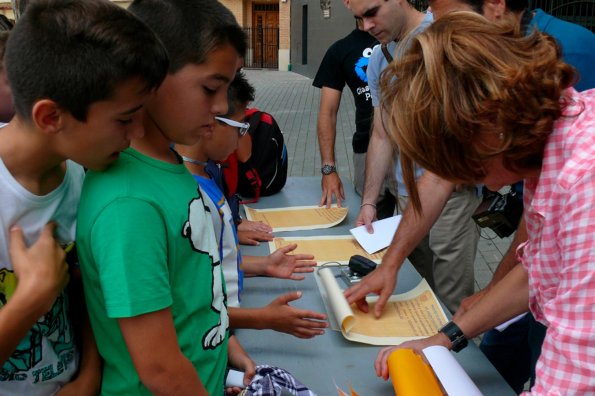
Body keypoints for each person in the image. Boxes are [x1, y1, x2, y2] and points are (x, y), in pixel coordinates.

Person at [374, 12, 594, 395]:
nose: (464, 177)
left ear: (492, 125)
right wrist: (446, 338)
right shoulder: (553, 151)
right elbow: (539, 271)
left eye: (462, 162)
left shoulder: (584, 180)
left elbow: (575, 376)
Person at [75, 0, 255, 394]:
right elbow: (158, 368)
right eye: (211, 88)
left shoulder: (171, 162)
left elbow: (191, 295)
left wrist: (224, 348)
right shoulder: (129, 203)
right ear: (151, 74)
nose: (222, 106)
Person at [0, 0, 169, 394]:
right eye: (125, 119)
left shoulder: (82, 174)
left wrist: (90, 373)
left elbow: (91, 293)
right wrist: (30, 301)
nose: (138, 133)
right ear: (51, 118)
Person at [347, 0, 480, 313]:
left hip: (452, 197)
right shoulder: (379, 58)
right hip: (407, 198)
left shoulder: (445, 36)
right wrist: (368, 201)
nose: (366, 26)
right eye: (359, 18)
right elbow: (381, 134)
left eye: (371, 13)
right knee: (419, 294)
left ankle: (452, 358)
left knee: (450, 301)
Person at [177, 72, 329, 338]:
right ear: (211, 122)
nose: (243, 139)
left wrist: (264, 265)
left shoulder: (208, 173)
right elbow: (188, 300)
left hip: (223, 332)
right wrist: (262, 319)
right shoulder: (186, 195)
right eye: (241, 127)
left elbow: (209, 262)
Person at [313, 4, 394, 216]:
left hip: (411, 152)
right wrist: (328, 169)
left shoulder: (401, 38)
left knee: (416, 236)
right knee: (372, 230)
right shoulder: (340, 50)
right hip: (367, 150)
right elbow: (327, 113)